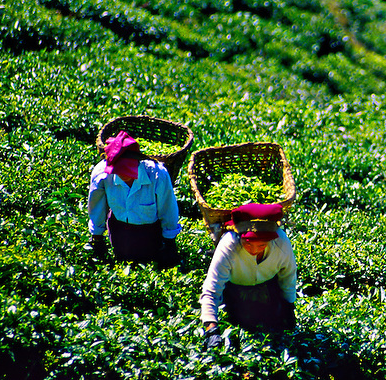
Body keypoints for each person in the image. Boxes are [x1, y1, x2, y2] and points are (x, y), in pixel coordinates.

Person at [199, 203, 298, 348]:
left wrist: (289, 306)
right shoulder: (229, 244)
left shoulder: (281, 243)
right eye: (249, 244)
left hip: (268, 288)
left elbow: (288, 276)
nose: (254, 250)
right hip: (233, 291)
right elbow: (211, 291)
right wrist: (212, 330)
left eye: (262, 245)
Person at [87, 130, 181, 268]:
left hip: (149, 235)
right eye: (119, 170)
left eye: (127, 169)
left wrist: (169, 243)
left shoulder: (157, 175)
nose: (123, 174)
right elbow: (97, 207)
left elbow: (168, 209)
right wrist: (97, 238)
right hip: (119, 232)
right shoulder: (102, 174)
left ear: (138, 162)